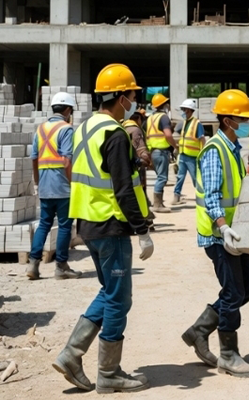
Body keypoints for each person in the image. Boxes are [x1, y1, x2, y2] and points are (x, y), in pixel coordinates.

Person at [52, 63, 154, 394]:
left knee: (110, 292)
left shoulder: (84, 129)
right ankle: (108, 372)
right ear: (122, 97)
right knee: (119, 299)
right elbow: (123, 188)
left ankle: (72, 353)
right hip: (111, 226)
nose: (134, 100)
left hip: (88, 224)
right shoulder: (114, 133)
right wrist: (142, 229)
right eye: (133, 95)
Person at [182, 89, 249, 378]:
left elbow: (232, 186)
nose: (244, 123)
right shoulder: (215, 149)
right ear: (227, 120)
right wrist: (222, 226)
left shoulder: (231, 147)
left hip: (232, 233)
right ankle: (228, 355)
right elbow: (212, 196)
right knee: (233, 292)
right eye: (239, 118)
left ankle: (198, 331)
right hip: (218, 234)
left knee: (245, 290)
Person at [27, 92, 80, 280]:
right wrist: (72, 184)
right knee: (65, 226)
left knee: (44, 224)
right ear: (68, 110)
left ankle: (33, 265)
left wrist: (37, 182)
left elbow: (34, 158)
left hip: (45, 185)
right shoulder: (66, 129)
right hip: (62, 186)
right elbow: (66, 161)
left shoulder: (40, 129)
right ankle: (61, 267)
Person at [123, 110, 155, 231]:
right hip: (137, 167)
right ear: (138, 119)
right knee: (141, 194)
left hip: (126, 166)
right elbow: (141, 150)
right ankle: (147, 221)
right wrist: (148, 161)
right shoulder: (136, 130)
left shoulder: (122, 127)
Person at [145, 93, 177, 213]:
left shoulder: (150, 118)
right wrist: (175, 146)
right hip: (161, 151)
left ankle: (159, 202)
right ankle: (157, 204)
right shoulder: (163, 118)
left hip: (153, 151)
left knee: (160, 177)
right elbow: (168, 134)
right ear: (164, 105)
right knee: (162, 178)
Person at [172, 99, 205, 205]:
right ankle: (176, 196)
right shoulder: (185, 122)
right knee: (180, 177)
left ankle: (201, 197)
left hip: (193, 157)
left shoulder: (197, 123)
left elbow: (202, 139)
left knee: (195, 178)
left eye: (184, 109)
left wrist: (203, 153)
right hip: (183, 155)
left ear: (190, 110)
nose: (183, 111)